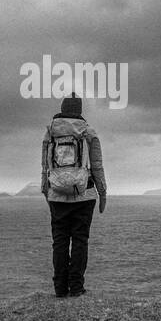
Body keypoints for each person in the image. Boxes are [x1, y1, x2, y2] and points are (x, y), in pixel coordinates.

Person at [41, 92, 107, 297]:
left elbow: (45, 165)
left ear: (62, 108)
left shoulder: (50, 132)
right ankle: (77, 288)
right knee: (80, 240)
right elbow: (97, 166)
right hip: (84, 195)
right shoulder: (88, 132)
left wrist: (47, 190)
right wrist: (103, 193)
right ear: (79, 110)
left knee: (59, 241)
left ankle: (60, 289)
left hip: (56, 195)